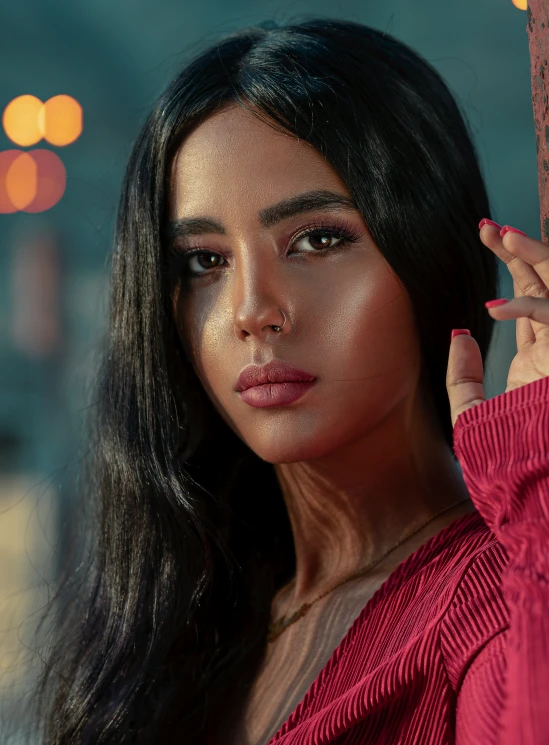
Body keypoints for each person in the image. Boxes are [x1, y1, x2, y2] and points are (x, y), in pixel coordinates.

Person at [28, 17, 549, 745]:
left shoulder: (499, 598)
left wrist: (535, 473)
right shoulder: (184, 618)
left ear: (429, 251)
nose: (251, 311)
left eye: (317, 239)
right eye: (204, 262)